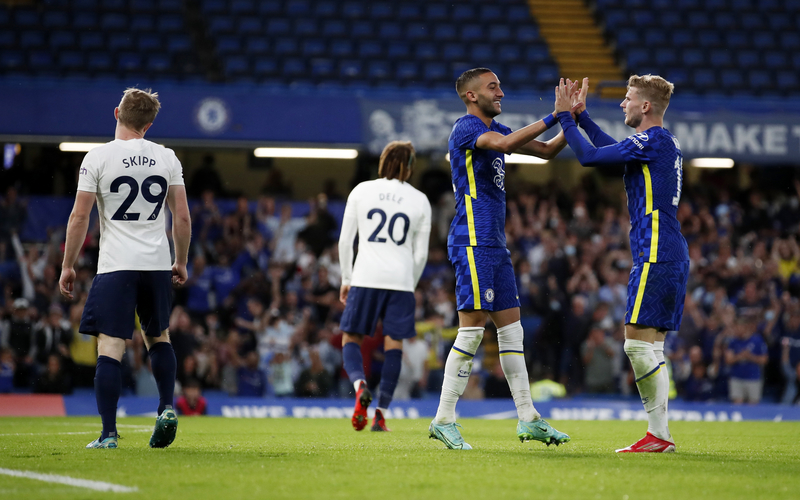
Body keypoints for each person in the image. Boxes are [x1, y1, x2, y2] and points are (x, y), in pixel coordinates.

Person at [429, 68, 570, 450]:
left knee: (512, 331)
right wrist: (554, 116)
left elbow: (546, 150)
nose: (501, 92)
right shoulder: (465, 129)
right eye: (493, 87)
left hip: (493, 243)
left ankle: (529, 418)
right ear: (472, 95)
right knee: (472, 330)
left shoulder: (496, 129)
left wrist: (572, 119)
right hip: (472, 241)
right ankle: (443, 418)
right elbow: (506, 146)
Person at [555, 75, 688, 453]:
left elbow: (590, 157)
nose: (622, 104)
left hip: (657, 252)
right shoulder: (661, 141)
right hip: (668, 251)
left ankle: (659, 433)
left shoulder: (654, 140)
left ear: (645, 106)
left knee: (635, 344)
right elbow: (613, 151)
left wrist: (565, 118)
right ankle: (659, 435)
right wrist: (581, 118)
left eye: (628, 98)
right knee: (651, 348)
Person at [58, 88, 191, 449]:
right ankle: (165, 407)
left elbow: (79, 216)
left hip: (116, 264)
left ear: (116, 112)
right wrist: (179, 261)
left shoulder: (97, 157)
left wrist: (68, 265)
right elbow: (180, 215)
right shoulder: (167, 158)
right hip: (156, 264)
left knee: (111, 346)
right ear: (149, 125)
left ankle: (109, 434)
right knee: (158, 337)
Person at [338, 141, 432, 432]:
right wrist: (410, 283)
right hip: (401, 281)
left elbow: (345, 241)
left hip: (365, 277)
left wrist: (346, 279)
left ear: (382, 162)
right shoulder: (420, 200)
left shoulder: (361, 191)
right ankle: (380, 414)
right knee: (395, 346)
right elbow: (421, 254)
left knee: (350, 339)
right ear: (410, 167)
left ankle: (360, 385)